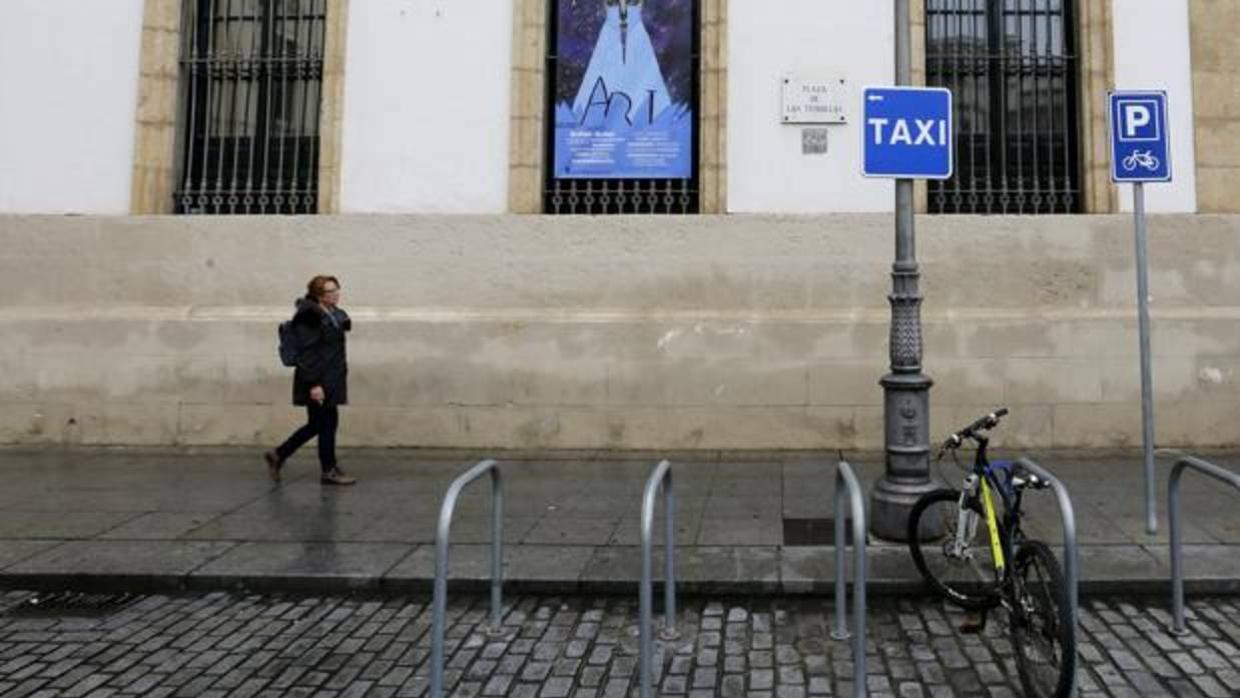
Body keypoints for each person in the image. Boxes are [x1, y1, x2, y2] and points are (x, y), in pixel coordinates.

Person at [265, 275, 356, 485]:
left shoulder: (332, 312)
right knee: (325, 424)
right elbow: (307, 354)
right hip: (317, 380)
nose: (336, 294)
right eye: (330, 292)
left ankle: (279, 455)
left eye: (336, 289)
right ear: (319, 295)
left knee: (320, 424)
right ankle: (328, 470)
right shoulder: (309, 316)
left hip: (330, 378)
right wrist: (315, 385)